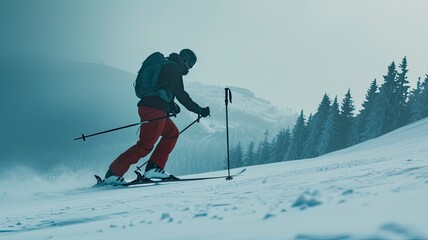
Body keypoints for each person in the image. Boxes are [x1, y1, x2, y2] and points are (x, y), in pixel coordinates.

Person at [104, 49, 210, 184]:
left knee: (172, 133)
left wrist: (171, 105)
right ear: (184, 59)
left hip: (153, 107)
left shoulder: (167, 65)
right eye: (190, 63)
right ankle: (113, 174)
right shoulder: (173, 68)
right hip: (154, 109)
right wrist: (199, 110)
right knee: (145, 145)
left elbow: (161, 89)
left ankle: (154, 167)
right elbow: (181, 94)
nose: (190, 67)